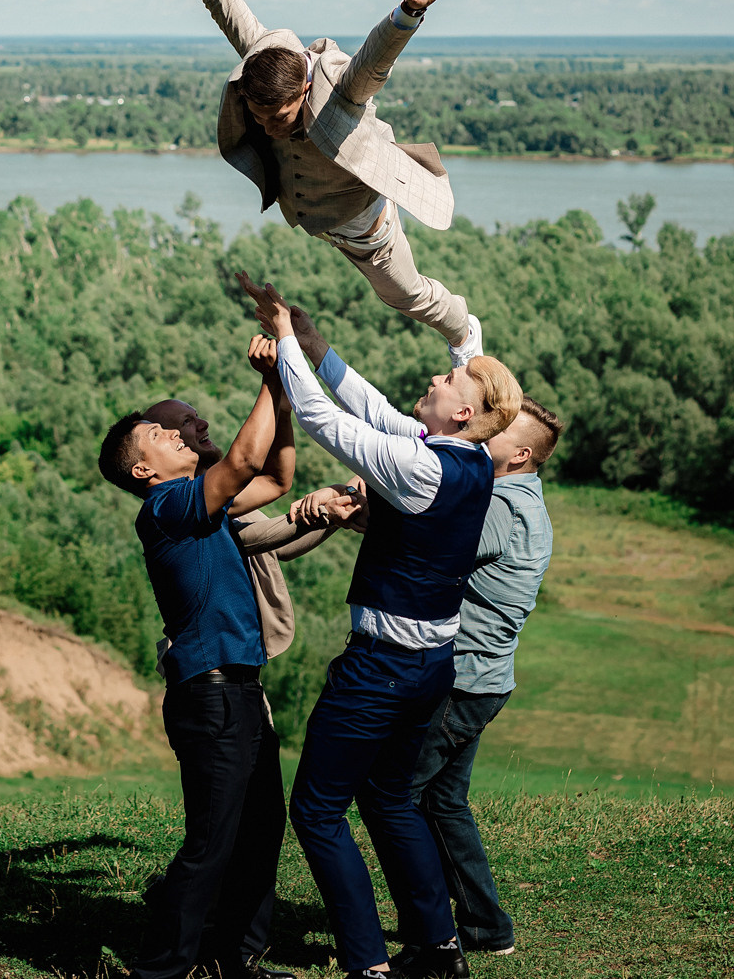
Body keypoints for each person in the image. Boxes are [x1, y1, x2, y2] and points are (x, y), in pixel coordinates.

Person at [238, 275, 522, 979]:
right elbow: (366, 403)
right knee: (392, 797)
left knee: (318, 811)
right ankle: (438, 947)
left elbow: (322, 417)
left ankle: (369, 964)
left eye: (449, 376)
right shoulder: (466, 458)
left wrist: (279, 337)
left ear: (465, 410)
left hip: (381, 668)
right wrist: (313, 342)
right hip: (431, 666)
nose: (436, 374)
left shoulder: (419, 466)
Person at [137, 0, 484, 364]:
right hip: (318, 218)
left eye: (278, 118)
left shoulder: (341, 90)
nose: (266, 127)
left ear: (303, 90)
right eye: (257, 115)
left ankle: (464, 335)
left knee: (404, 297)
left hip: (368, 224)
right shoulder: (262, 57)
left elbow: (375, 57)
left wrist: (411, 9)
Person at [97, 337, 298, 979]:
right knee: (212, 841)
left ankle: (238, 960)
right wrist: (273, 376)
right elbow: (241, 461)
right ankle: (161, 970)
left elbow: (275, 477)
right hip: (207, 693)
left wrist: (285, 398)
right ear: (143, 470)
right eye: (156, 433)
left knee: (262, 828)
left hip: (240, 687)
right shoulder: (166, 507)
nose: (174, 431)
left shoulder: (205, 509)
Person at [397, 400, 562, 956]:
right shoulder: (521, 501)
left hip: (463, 680)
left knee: (397, 795)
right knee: (443, 804)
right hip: (481, 679)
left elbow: (433, 543)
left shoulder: (502, 509)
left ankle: (431, 934)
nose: (481, 429)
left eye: (499, 429)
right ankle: (486, 929)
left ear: (519, 454)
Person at [142, 397, 353, 662]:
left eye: (196, 415)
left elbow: (277, 490)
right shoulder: (187, 506)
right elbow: (256, 538)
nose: (203, 424)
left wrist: (283, 411)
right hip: (211, 667)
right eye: (187, 422)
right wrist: (334, 505)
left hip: (237, 662)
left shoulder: (215, 497)